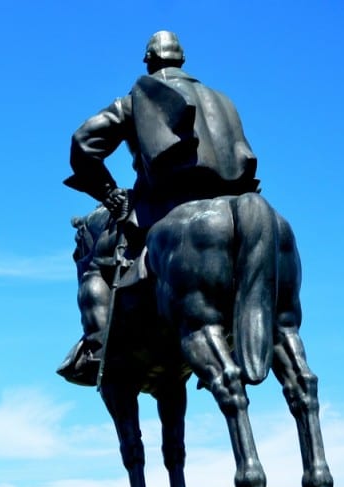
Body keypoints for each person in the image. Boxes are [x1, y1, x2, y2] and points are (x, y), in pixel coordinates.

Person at [58, 30, 260, 385]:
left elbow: (82, 143)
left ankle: (96, 348)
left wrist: (109, 194)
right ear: (181, 59)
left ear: (149, 61)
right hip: (236, 200)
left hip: (165, 204)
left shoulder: (137, 99)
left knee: (96, 255)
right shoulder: (222, 99)